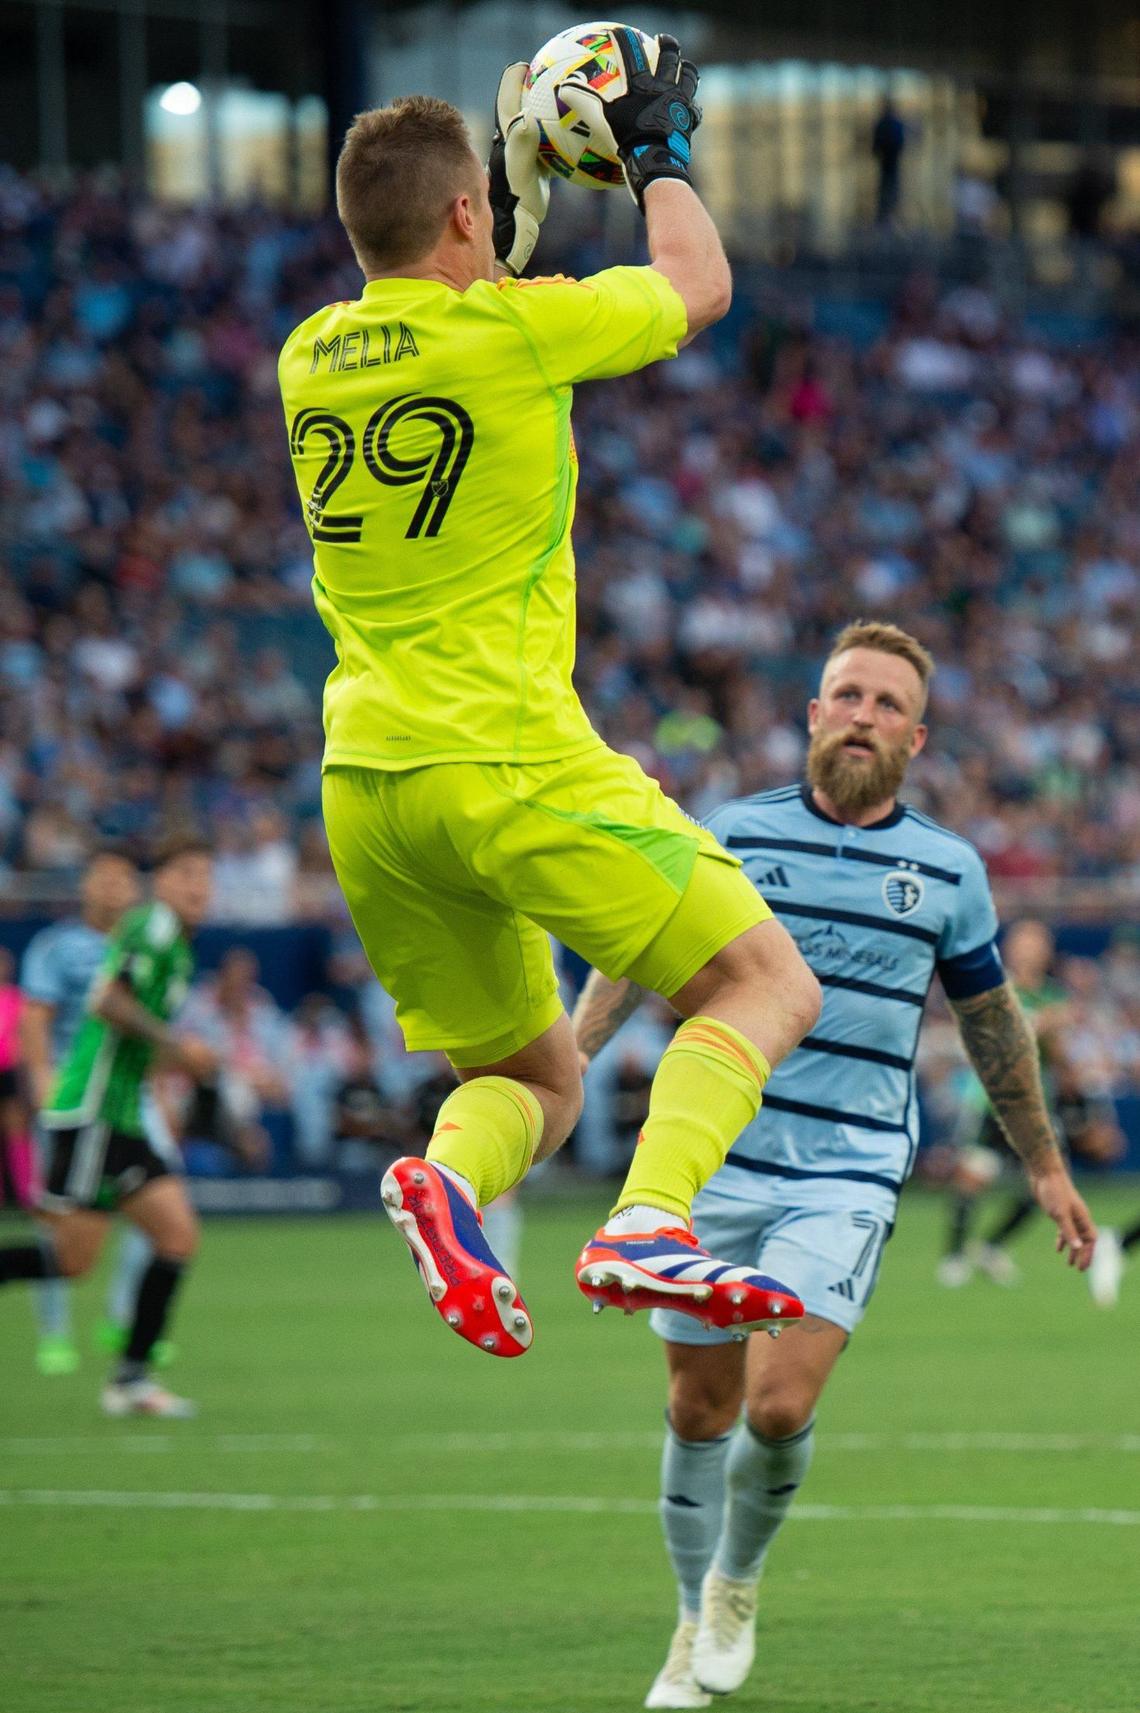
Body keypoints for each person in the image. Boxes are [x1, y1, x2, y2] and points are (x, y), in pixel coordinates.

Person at [277, 34, 821, 1361]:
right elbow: (698, 287)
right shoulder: (514, 333)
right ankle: (648, 1221)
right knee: (761, 986)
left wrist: (504, 204)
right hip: (506, 756)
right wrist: (654, 151)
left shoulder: (312, 355)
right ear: (465, 213)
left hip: (368, 785)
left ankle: (448, 1182)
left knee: (532, 1078)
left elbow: (456, 300)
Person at [572, 622, 1097, 1709]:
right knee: (697, 1411)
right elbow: (634, 953)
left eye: (886, 703)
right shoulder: (732, 834)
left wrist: (1042, 1165)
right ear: (814, 713)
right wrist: (562, 1072)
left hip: (848, 1171)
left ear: (917, 735)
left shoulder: (948, 870)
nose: (863, 714)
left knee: (776, 1405)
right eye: (846, 695)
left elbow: (996, 1026)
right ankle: (685, 1618)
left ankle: (738, 1582)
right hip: (715, 1155)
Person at [0, 836, 220, 1417]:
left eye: (207, 877)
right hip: (93, 1109)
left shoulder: (177, 945)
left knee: (177, 1237)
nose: (200, 887)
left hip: (123, 1114)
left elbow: (134, 1033)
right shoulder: (150, 928)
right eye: (188, 873)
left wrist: (173, 1070)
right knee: (73, 1262)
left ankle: (130, 1380)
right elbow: (108, 1003)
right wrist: (180, 1048)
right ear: (162, 882)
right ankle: (129, 1380)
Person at [18, 847, 173, 1376]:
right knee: (59, 1222)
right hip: (76, 1092)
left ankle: (125, 1317)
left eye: (124, 878)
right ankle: (55, 1333)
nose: (113, 887)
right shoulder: (57, 946)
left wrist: (162, 1094)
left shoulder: (143, 944)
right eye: (103, 877)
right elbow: (36, 1017)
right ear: (84, 885)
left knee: (160, 1212)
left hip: (132, 1095)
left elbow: (144, 1033)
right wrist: (41, 1080)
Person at [939, 921, 1122, 1288]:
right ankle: (955, 1256)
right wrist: (1044, 1023)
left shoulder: (1054, 996)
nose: (1031, 949)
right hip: (992, 1102)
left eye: (1038, 942)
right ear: (1010, 947)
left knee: (1045, 1185)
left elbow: (1056, 1059)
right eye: (1025, 942)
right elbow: (997, 1036)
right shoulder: (994, 988)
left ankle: (991, 1246)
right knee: (972, 1178)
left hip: (1038, 1104)